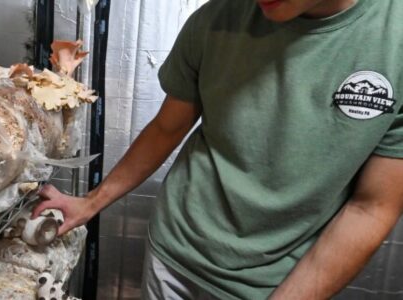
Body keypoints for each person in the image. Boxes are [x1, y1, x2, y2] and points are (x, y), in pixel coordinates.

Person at [32, 0, 403, 299]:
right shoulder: (218, 18)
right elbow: (166, 127)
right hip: (175, 258)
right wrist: (91, 202)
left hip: (283, 280)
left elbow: (372, 207)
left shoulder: (393, 39)